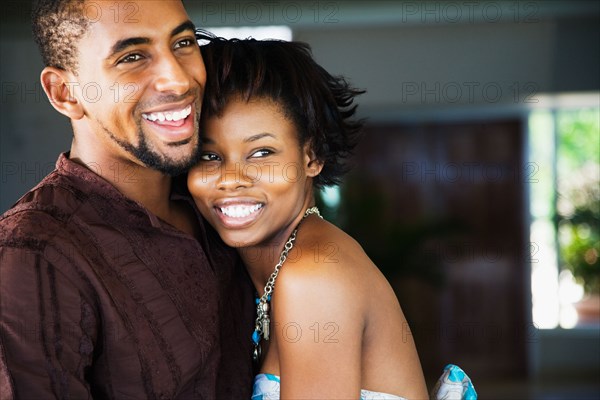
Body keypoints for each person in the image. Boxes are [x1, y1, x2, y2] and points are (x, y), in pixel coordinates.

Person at [189, 33, 476, 400]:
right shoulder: (272, 267)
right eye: (209, 156)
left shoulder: (314, 275)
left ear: (312, 157)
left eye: (261, 153)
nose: (231, 179)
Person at [0, 1, 254, 398]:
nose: (177, 79)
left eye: (184, 42)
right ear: (65, 93)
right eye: (132, 57)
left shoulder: (223, 203)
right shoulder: (33, 251)